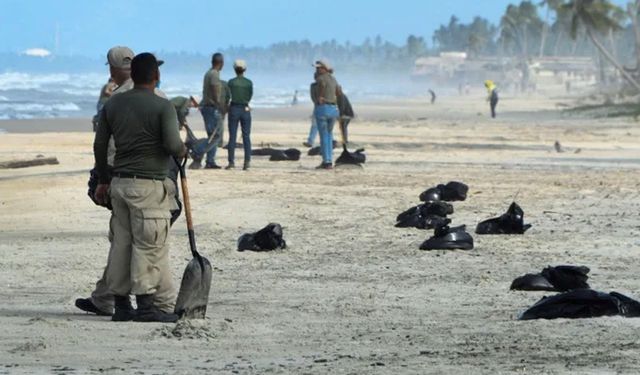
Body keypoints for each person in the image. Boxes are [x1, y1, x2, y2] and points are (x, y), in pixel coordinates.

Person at [78, 47, 180, 318]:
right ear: (156, 74)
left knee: (122, 244)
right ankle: (150, 307)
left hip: (119, 182)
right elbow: (172, 144)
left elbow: (100, 144)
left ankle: (119, 305)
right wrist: (182, 153)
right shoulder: (162, 103)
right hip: (149, 183)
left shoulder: (113, 103)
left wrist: (103, 179)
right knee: (150, 245)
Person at [199, 53, 226, 169]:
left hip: (207, 107)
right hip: (211, 107)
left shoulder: (208, 73)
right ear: (220, 63)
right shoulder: (214, 74)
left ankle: (210, 161)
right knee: (216, 136)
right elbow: (215, 91)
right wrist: (220, 105)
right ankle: (197, 151)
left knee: (212, 134)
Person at [226, 60, 253, 170]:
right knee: (246, 136)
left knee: (232, 136)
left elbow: (228, 96)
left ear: (234, 69)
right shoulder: (248, 82)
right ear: (244, 69)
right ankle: (247, 162)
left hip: (234, 108)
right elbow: (250, 95)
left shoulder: (231, 82)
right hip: (245, 108)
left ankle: (231, 163)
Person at [313, 60, 340, 169]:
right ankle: (329, 159)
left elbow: (321, 87)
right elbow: (339, 92)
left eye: (319, 68)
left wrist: (320, 97)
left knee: (324, 135)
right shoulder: (333, 79)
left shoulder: (320, 79)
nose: (317, 70)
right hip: (333, 108)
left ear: (323, 69)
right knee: (329, 135)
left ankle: (326, 161)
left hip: (323, 108)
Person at [303, 75, 319, 147]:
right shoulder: (313, 86)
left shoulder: (326, 83)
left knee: (323, 126)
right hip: (318, 106)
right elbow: (313, 97)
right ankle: (310, 141)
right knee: (315, 125)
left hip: (324, 106)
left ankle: (311, 141)